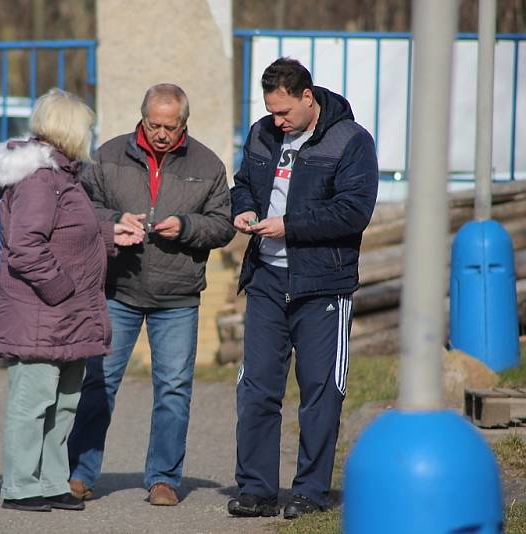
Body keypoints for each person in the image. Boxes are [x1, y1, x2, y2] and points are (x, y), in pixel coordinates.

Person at [67, 83, 235, 506]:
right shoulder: (108, 155)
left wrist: (187, 226)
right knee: (98, 384)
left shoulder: (208, 164)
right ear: (142, 118)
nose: (160, 133)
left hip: (177, 295)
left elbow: (223, 223)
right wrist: (114, 220)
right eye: (153, 124)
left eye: (170, 126)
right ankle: (80, 472)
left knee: (174, 389)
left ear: (185, 123)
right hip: (117, 289)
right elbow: (82, 208)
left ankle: (163, 478)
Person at [227, 58, 378, 519]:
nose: (277, 121)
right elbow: (243, 184)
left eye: (284, 112)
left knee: (320, 391)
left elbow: (353, 212)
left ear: (307, 97)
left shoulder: (351, 141)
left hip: (321, 285)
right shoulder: (261, 133)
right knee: (256, 389)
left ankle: (310, 491)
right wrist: (245, 209)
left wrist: (289, 226)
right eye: (271, 111)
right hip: (267, 281)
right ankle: (255, 488)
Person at [0, 88, 143, 513]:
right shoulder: (39, 179)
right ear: (71, 130)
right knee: (33, 401)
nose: (92, 135)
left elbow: (71, 231)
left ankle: (52, 479)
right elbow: (27, 247)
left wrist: (112, 235)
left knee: (64, 402)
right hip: (42, 312)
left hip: (68, 315)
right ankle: (21, 485)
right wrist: (62, 291)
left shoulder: (62, 176)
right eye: (88, 128)